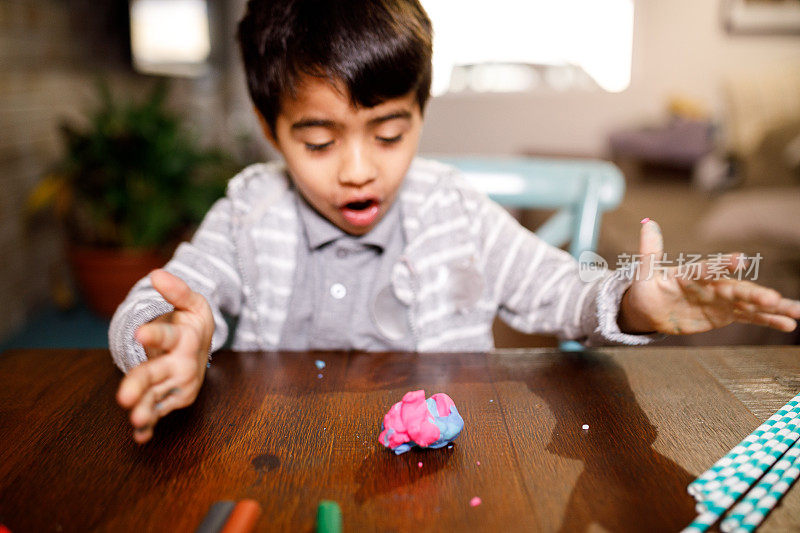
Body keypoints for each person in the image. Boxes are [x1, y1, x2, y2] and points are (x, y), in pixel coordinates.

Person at [111, 0, 800, 444]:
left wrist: (633, 300)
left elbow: (561, 289)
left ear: (422, 110)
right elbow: (155, 301)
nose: (357, 169)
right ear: (270, 126)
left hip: (449, 472)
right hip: (280, 460)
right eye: (319, 141)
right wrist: (168, 337)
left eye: (388, 133)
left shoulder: (456, 210)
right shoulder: (248, 211)